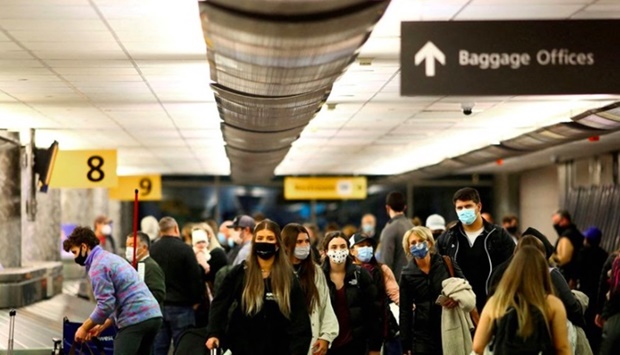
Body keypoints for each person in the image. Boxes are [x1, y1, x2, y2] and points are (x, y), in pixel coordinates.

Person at [205, 220, 312, 355]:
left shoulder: (288, 278)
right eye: (260, 238)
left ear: (278, 244)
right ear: (254, 242)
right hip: (242, 346)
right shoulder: (239, 273)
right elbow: (219, 305)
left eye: (270, 238)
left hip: (279, 348)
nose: (265, 242)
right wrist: (213, 333)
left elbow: (300, 321)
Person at [63, 226, 162, 354]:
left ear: (84, 247)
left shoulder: (97, 266)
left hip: (134, 319)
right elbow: (117, 299)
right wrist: (101, 326)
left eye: (75, 252)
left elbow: (105, 305)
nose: (75, 258)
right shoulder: (111, 258)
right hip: (153, 316)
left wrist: (84, 328)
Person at [472, 246, 570, 355]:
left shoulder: (496, 302)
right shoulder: (552, 304)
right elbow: (562, 348)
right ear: (543, 272)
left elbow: (477, 346)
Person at [436, 187, 514, 313]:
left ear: (479, 206)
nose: (464, 211)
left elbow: (512, 268)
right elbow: (438, 271)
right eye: (459, 208)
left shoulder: (498, 236)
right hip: (459, 308)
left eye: (468, 206)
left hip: (493, 305)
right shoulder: (447, 239)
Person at [488, 232, 585, 329]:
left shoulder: (500, 283)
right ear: (542, 255)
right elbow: (572, 308)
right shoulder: (551, 296)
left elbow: (481, 341)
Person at [399, 226, 468, 355]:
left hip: (449, 326)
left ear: (429, 242)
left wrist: (456, 299)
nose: (417, 245)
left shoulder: (446, 263)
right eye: (413, 243)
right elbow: (405, 311)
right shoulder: (407, 274)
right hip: (421, 334)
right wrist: (405, 344)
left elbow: (465, 287)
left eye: (421, 241)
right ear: (408, 248)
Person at [282, 223, 339, 355]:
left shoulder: (315, 272)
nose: (304, 245)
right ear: (286, 244)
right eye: (299, 242)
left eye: (307, 241)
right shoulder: (277, 272)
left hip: (311, 342)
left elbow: (325, 305)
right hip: (284, 341)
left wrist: (325, 336)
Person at [150, 217, 204, 355]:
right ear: (175, 229)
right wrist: (197, 300)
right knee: (183, 347)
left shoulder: (152, 249)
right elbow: (194, 278)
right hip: (182, 307)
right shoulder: (185, 250)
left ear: (160, 231)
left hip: (158, 307)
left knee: (158, 348)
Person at [321, 231, 382, 355]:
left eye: (343, 246)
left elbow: (374, 313)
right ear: (326, 251)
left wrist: (375, 347)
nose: (338, 250)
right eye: (334, 247)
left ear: (349, 250)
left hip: (355, 344)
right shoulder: (318, 277)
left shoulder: (360, 274)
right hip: (326, 345)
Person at [348, 232, 400, 355]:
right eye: (361, 245)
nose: (366, 248)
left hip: (380, 326)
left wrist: (408, 306)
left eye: (368, 245)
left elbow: (395, 293)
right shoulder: (347, 272)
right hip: (354, 330)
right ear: (351, 251)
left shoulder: (381, 270)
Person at [578, 226, 608, 350]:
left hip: (585, 292)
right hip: (597, 295)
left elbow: (576, 272)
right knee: (595, 328)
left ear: (588, 240)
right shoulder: (604, 254)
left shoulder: (582, 253)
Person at [378, 191, 414, 280]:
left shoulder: (389, 229)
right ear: (405, 207)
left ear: (387, 208)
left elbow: (386, 262)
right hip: (413, 280)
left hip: (397, 283)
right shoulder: (412, 226)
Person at [125, 231, 166, 307]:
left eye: (132, 245)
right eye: (127, 246)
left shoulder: (151, 267)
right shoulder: (129, 265)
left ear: (144, 248)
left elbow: (158, 293)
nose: (128, 249)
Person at [551, 209, 584, 288]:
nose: (555, 226)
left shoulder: (566, 237)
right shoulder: (575, 232)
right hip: (576, 275)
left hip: (568, 277)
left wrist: (551, 257)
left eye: (557, 223)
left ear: (564, 220)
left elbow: (563, 259)